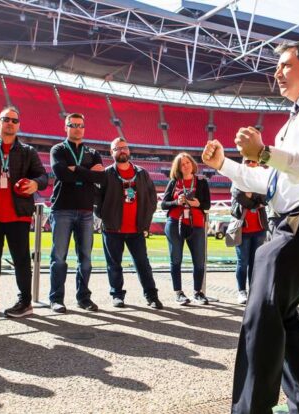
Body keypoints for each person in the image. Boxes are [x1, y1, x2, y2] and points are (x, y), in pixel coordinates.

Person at [202, 40, 299, 414]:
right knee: (281, 316)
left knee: (262, 310)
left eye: (285, 65)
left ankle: (250, 410)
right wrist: (225, 164)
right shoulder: (294, 118)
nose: (277, 73)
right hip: (295, 221)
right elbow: (271, 182)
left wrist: (265, 152)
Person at [0, 107, 48, 318]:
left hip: (19, 215)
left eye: (14, 120)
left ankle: (25, 302)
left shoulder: (28, 151)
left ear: (18, 124)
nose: (10, 123)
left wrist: (35, 183)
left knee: (21, 260)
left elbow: (43, 176)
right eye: (6, 119)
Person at [96, 138, 163, 309]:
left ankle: (151, 295)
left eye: (124, 147)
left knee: (143, 263)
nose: (121, 151)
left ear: (129, 150)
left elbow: (152, 198)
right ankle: (117, 295)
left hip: (136, 229)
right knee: (114, 264)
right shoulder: (106, 174)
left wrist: (145, 221)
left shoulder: (142, 173)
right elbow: (97, 200)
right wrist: (106, 217)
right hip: (112, 229)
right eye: (117, 148)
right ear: (111, 153)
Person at [48, 113, 105, 313]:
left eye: (81, 125)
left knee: (86, 258)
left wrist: (77, 169)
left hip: (86, 211)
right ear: (66, 127)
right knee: (59, 257)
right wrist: (88, 172)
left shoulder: (93, 151)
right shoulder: (58, 149)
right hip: (62, 209)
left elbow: (102, 177)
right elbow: (61, 174)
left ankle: (84, 298)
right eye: (73, 125)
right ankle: (56, 299)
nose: (77, 128)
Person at [161, 152, 211, 305]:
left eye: (188, 162)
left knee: (199, 260)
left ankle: (198, 292)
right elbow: (164, 204)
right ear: (178, 167)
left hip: (196, 224)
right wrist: (176, 201)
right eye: (182, 164)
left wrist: (197, 204)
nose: (186, 166)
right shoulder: (174, 182)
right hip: (175, 223)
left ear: (192, 164)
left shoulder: (201, 182)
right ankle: (179, 293)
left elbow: (207, 205)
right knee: (176, 260)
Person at [230, 159, 268, 305]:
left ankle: (254, 291)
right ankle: (241, 291)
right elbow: (240, 199)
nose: (251, 164)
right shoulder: (236, 181)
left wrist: (251, 197)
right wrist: (255, 201)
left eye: (253, 161)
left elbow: (265, 199)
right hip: (243, 228)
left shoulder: (262, 179)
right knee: (242, 261)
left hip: (259, 228)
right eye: (247, 161)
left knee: (255, 262)